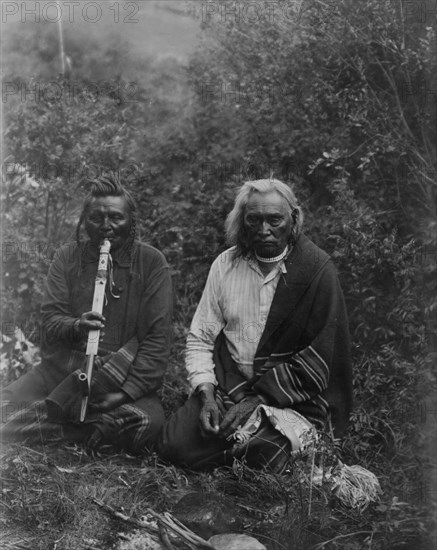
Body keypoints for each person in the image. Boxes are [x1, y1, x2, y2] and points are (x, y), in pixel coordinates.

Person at [157, 179, 352, 473]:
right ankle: (235, 452)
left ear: (294, 220)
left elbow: (322, 356)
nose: (264, 230)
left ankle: (248, 453)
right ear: (242, 222)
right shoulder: (225, 266)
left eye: (275, 220)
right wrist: (207, 396)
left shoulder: (317, 271)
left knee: (265, 450)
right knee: (173, 445)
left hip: (292, 399)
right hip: (230, 388)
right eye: (254, 220)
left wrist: (258, 401)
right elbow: (200, 339)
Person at [1, 174, 173, 453]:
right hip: (64, 369)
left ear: (131, 220)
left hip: (120, 376)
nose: (106, 226)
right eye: (96, 218)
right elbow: (50, 322)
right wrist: (76, 325)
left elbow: (157, 338)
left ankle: (55, 423)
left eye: (116, 218)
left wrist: (123, 394)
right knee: (4, 407)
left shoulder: (152, 263)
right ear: (85, 220)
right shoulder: (67, 258)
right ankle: (85, 430)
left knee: (147, 424)